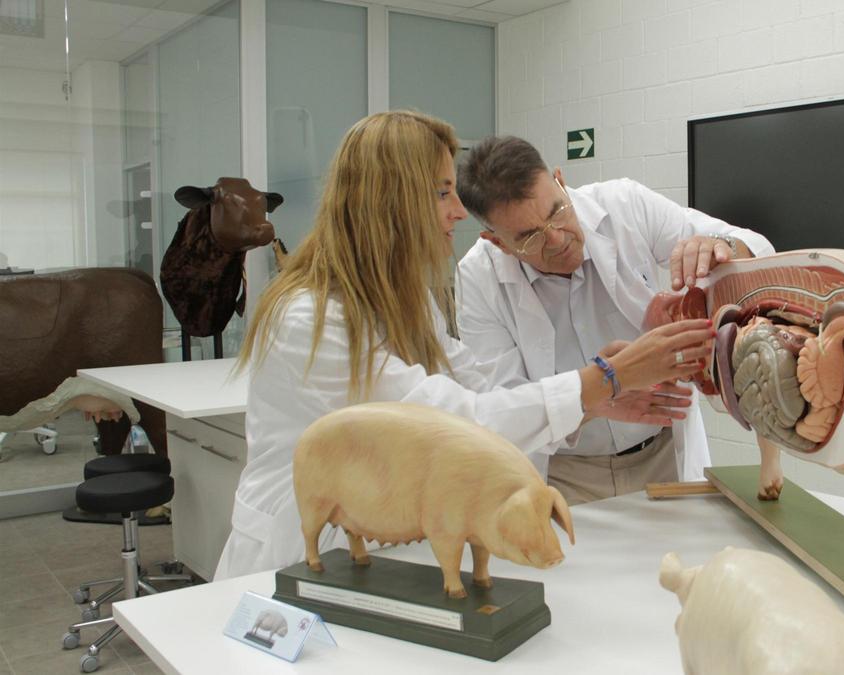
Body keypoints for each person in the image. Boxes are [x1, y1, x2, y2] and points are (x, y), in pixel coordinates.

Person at [214, 112, 712, 579]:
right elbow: (457, 423)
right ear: (391, 201)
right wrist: (606, 379)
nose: (457, 212)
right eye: (442, 193)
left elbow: (480, 390)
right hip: (296, 556)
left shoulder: (403, 303)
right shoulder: (309, 321)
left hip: (374, 547)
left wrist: (597, 394)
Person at [456, 136, 775, 505]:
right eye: (529, 237)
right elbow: (504, 410)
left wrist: (721, 249)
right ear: (497, 242)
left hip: (661, 454)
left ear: (560, 180)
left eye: (557, 211)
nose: (557, 239)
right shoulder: (478, 278)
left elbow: (753, 246)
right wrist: (594, 399)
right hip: (565, 474)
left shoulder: (624, 206)